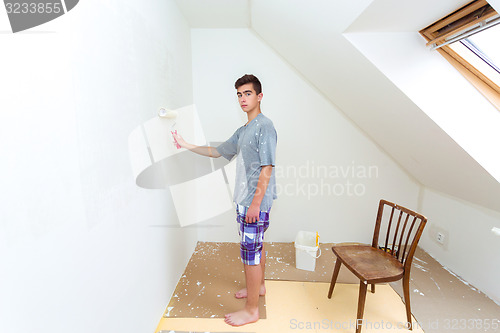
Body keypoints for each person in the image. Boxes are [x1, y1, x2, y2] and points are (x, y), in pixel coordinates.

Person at [172, 74, 277, 326]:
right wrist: (185, 144)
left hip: (255, 202)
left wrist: (254, 204)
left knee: (250, 255)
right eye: (239, 94)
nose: (243, 98)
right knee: (256, 247)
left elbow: (267, 167)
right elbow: (217, 152)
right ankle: (258, 288)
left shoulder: (264, 126)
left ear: (259, 96)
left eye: (248, 93)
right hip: (245, 199)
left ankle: (251, 310)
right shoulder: (243, 130)